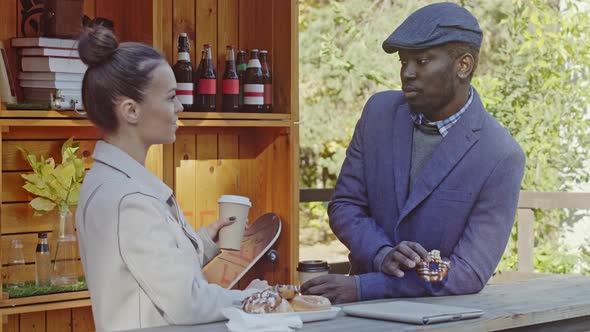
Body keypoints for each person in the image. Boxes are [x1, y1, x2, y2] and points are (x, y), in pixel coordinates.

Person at [301, 2, 525, 303]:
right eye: (403, 62)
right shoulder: (377, 113)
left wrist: (366, 287)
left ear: (463, 65)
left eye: (421, 61)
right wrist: (380, 254)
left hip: (444, 321)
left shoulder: (500, 154)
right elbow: (344, 204)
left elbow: (468, 272)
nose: (407, 73)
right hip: (360, 320)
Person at [75, 26, 266, 331]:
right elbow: (186, 304)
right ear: (131, 110)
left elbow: (142, 270)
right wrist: (256, 299)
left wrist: (203, 242)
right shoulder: (129, 201)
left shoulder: (112, 182)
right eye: (171, 97)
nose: (179, 107)